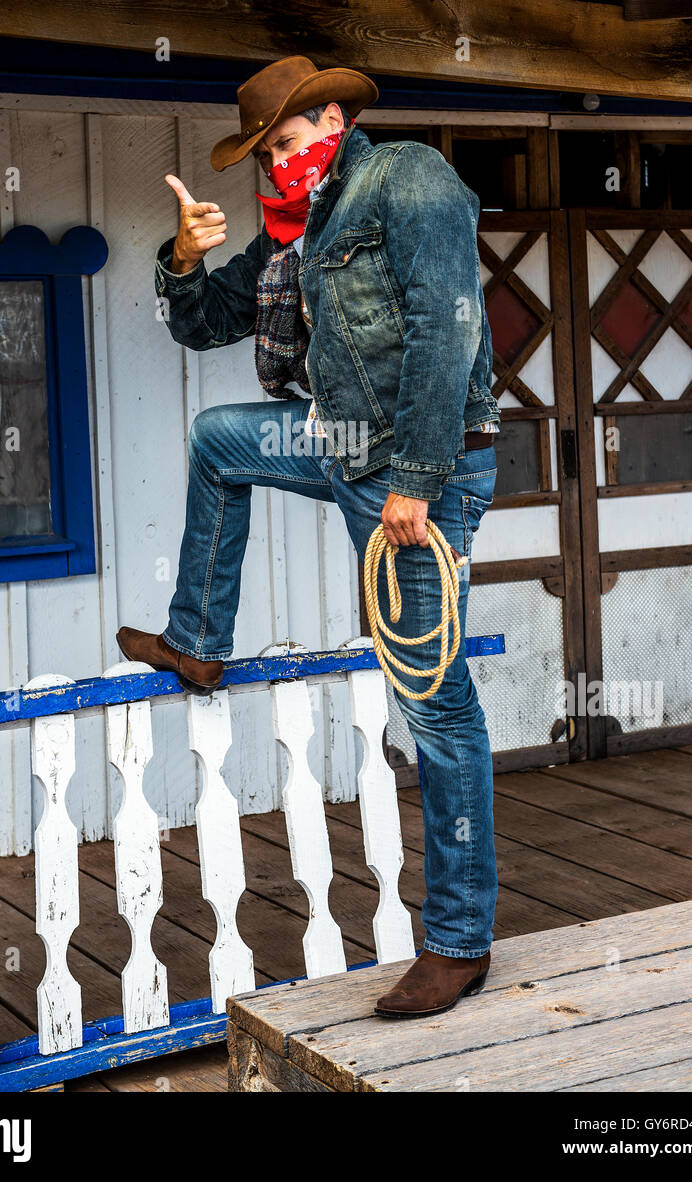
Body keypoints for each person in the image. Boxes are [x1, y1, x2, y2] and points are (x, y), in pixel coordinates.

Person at [117, 55, 500, 1017]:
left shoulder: (404, 177)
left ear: (332, 117)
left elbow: (444, 329)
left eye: (288, 142)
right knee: (218, 437)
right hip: (341, 442)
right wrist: (184, 256)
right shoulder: (298, 228)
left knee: (432, 697)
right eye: (266, 152)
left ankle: (460, 940)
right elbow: (202, 326)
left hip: (427, 463)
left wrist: (414, 481)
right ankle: (199, 641)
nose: (279, 163)